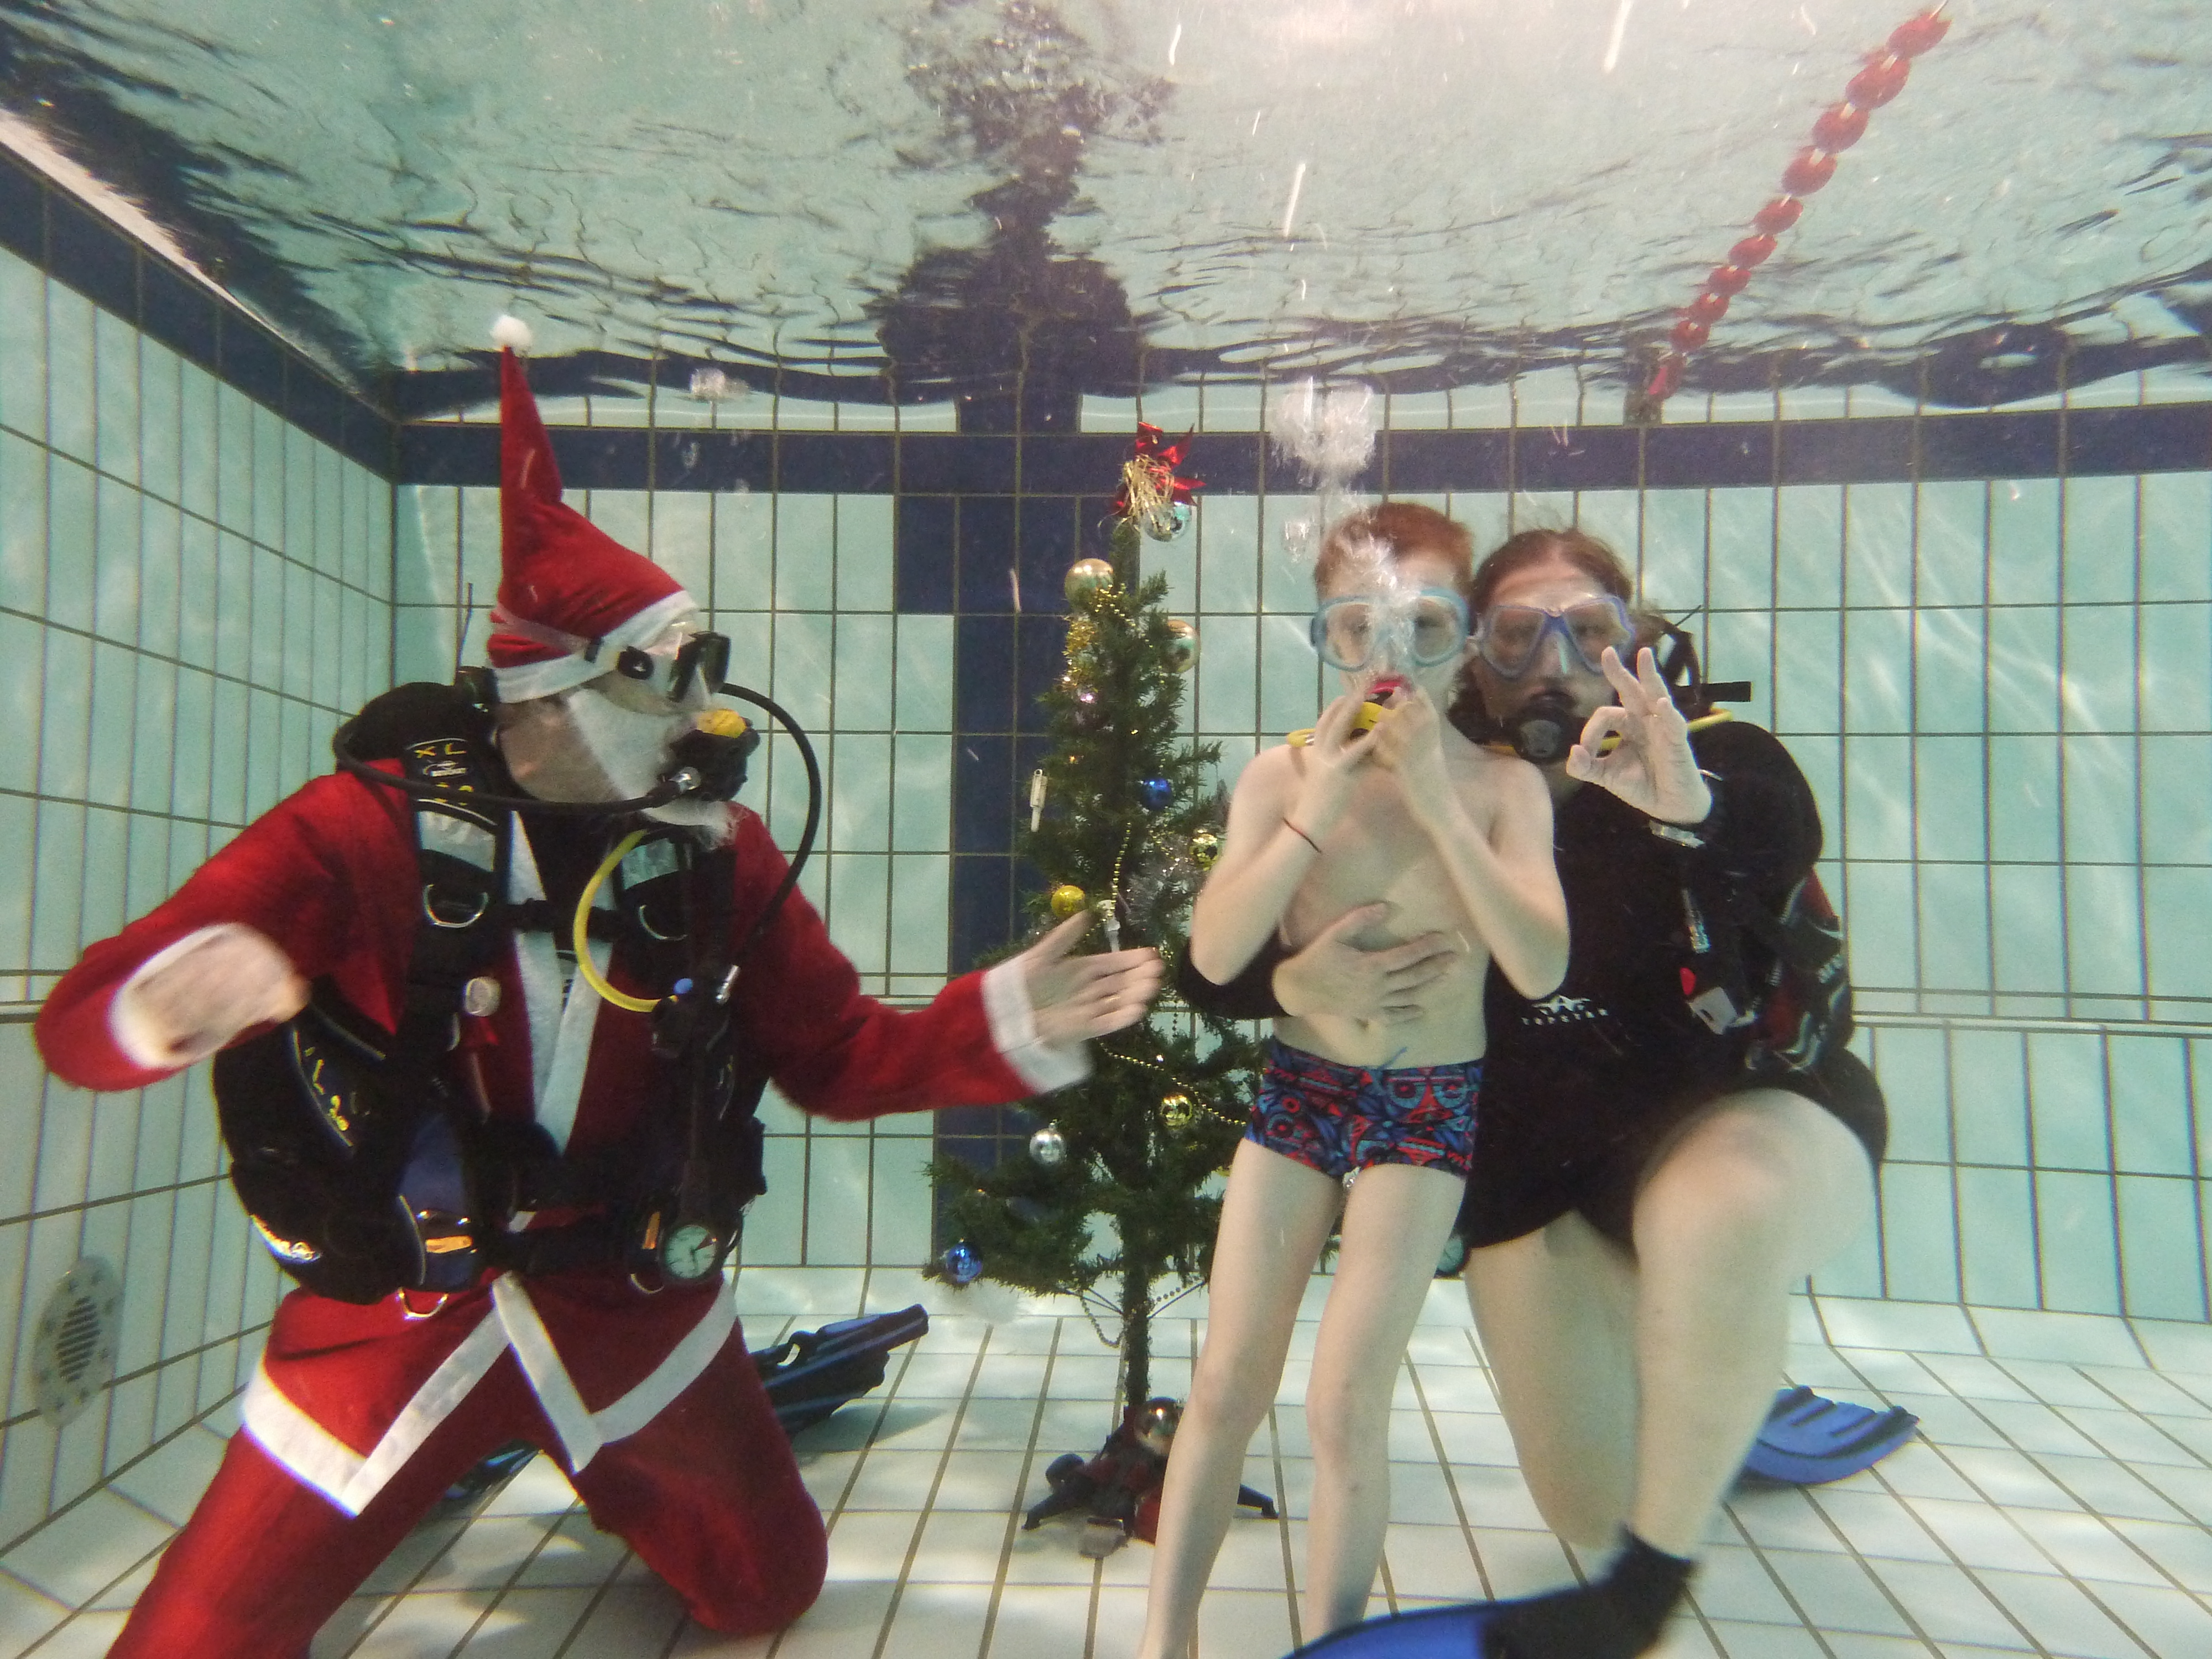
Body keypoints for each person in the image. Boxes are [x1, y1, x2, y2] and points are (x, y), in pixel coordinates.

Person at [33, 337, 1164, 1658]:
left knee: (766, 1592)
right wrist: (167, 1006)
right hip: (394, 1330)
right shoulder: (361, 833)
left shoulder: (718, 855)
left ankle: (575, 1461)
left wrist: (1009, 1018)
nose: (705, 712)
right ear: (542, 691)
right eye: (662, 672)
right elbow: (77, 1024)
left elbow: (837, 1056)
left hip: (635, 1317)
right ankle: (445, 1462)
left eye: (703, 665)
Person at [1181, 524, 1887, 1659]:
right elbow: (1212, 964)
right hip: (1551, 1165)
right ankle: (1709, 1370)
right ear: (1473, 653)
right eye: (1517, 635)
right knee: (1585, 1503)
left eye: (1589, 631)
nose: (1554, 662)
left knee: (1715, 1219)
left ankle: (1646, 1587)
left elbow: (1773, 825)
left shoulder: (1703, 756)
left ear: (1633, 640)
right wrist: (1291, 983)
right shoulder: (1435, 772)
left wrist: (1688, 802)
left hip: (1743, 1115)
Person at [1139, 504, 1568, 1658]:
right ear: (1325, 637)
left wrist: (1433, 798)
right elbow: (1216, 956)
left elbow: (1539, 966)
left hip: (1426, 1108)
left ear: (1466, 640)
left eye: (1424, 627)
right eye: (1358, 627)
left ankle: (1327, 1647)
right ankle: (1163, 1641)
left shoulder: (1501, 790)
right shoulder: (1278, 777)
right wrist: (1314, 814)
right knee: (1227, 1382)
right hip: (1300, 1093)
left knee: (1342, 1402)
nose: (1392, 657)